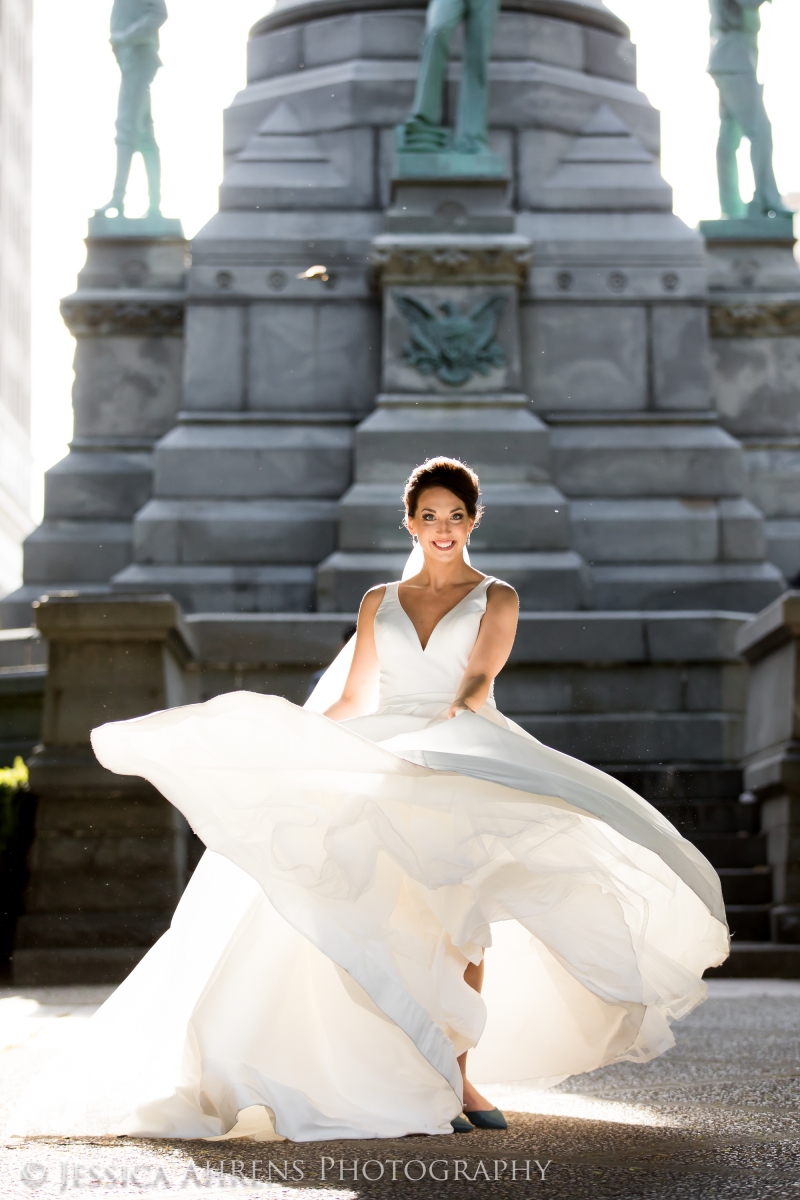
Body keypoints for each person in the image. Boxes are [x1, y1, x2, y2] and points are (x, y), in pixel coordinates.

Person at [8, 458, 728, 1142]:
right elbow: (354, 697)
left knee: (463, 920)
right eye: (428, 515)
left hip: (460, 749)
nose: (442, 527)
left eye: (455, 515)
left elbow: (475, 688)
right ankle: (398, 1069)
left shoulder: (496, 596)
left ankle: (460, 1078)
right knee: (382, 910)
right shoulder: (377, 602)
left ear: (473, 521)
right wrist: (293, 741)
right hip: (382, 747)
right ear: (409, 524)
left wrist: (430, 742)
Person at [708, 0, 790, 218]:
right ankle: (767, 199)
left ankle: (731, 207)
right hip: (735, 60)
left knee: (729, 138)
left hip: (735, 59)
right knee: (760, 131)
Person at [95, 0, 168, 219]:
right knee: (144, 136)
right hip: (130, 60)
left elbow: (158, 13)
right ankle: (153, 202)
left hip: (139, 58)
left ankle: (120, 199)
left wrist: (126, 36)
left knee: (127, 128)